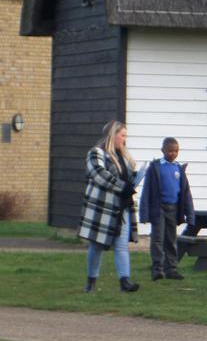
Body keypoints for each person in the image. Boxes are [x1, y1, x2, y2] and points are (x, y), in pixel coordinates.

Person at [78, 120, 146, 293]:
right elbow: (99, 174)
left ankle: (125, 281)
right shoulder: (96, 153)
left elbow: (127, 178)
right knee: (97, 245)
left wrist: (138, 176)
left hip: (122, 207)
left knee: (121, 245)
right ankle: (91, 282)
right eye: (122, 135)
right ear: (112, 135)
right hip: (102, 209)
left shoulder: (123, 155)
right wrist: (123, 187)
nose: (124, 139)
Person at [140, 137, 195, 281]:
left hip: (173, 209)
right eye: (170, 151)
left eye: (176, 151)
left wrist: (190, 215)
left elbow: (186, 193)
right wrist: (144, 213)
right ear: (163, 150)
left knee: (171, 239)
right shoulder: (155, 167)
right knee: (157, 239)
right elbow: (146, 191)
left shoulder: (179, 169)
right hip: (158, 208)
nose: (173, 154)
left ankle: (171, 268)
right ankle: (157, 269)